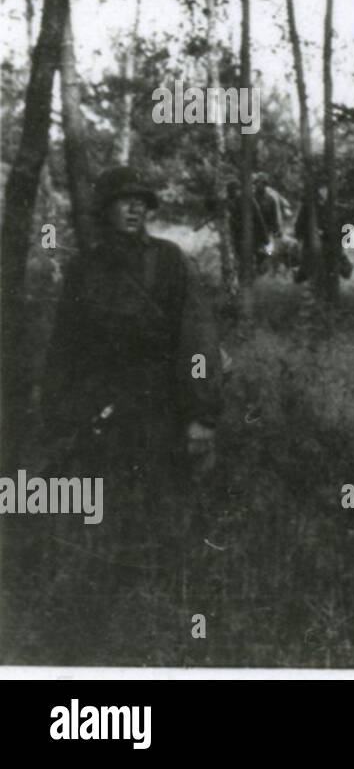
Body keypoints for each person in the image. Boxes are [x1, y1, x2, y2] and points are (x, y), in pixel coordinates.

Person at [36, 166, 222, 664]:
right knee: (101, 528)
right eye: (124, 200)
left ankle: (170, 627)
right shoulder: (85, 269)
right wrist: (57, 416)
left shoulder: (170, 263)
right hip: (102, 417)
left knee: (168, 521)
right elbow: (65, 350)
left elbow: (197, 343)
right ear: (105, 209)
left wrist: (202, 415)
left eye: (142, 200)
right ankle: (97, 633)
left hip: (162, 410)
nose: (135, 207)